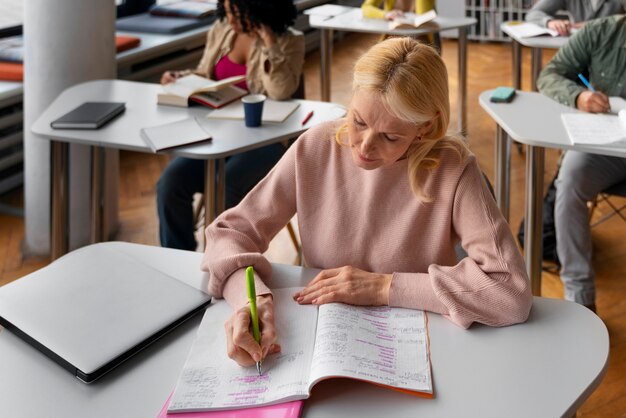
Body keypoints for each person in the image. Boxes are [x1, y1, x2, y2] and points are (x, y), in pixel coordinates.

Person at [202, 37, 533, 368]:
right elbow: (229, 234)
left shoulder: (453, 168)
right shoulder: (316, 146)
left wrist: (383, 287)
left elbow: (510, 291)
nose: (364, 146)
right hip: (323, 344)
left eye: (391, 137)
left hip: (424, 350)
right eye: (358, 120)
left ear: (425, 127)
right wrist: (251, 300)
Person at [156, 0, 304, 250]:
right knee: (170, 183)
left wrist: (270, 43)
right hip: (218, 133)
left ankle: (221, 260)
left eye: (237, 13)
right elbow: (205, 74)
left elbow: (280, 91)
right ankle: (178, 258)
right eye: (226, 13)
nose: (231, 20)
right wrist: (180, 77)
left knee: (226, 186)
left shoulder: (290, 40)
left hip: (265, 140)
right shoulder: (222, 30)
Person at [537, 15, 626, 312]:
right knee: (570, 179)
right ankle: (580, 298)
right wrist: (579, 96)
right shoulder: (603, 30)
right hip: (606, 145)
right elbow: (549, 75)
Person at [525, 0, 626, 36]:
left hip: (613, 48)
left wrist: (596, 25)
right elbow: (533, 13)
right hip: (580, 48)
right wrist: (549, 22)